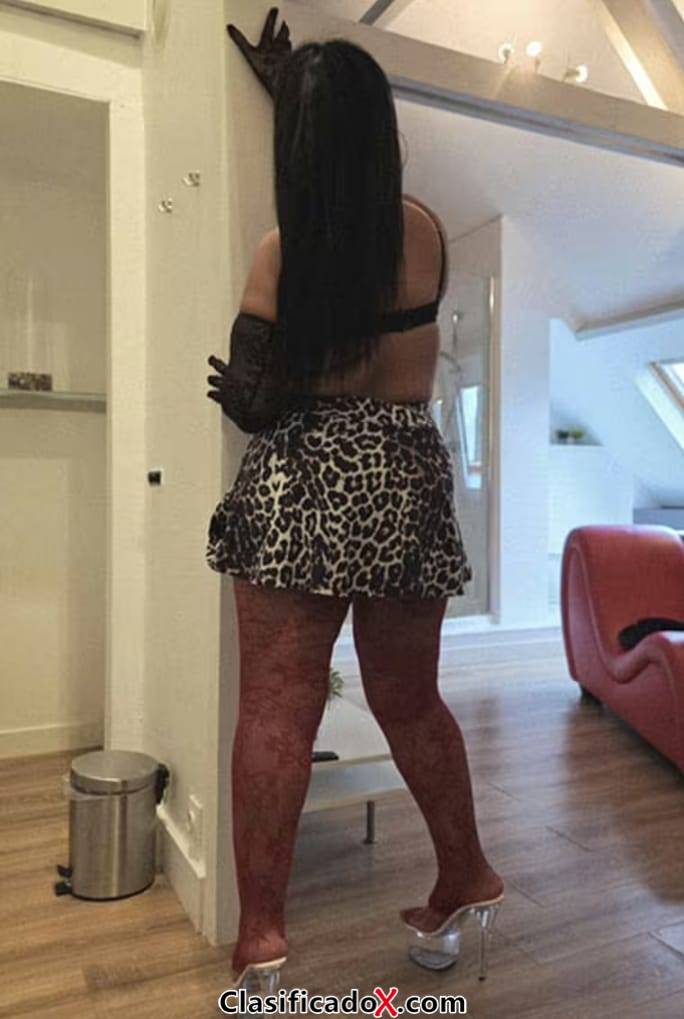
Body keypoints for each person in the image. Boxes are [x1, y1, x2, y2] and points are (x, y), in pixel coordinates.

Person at [206, 7, 504, 995]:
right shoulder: (426, 234)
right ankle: (466, 872)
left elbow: (255, 403)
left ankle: (262, 941)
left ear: (298, 147)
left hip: (303, 484)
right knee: (411, 699)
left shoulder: (282, 254)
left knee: (277, 709)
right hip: (405, 482)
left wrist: (245, 381)